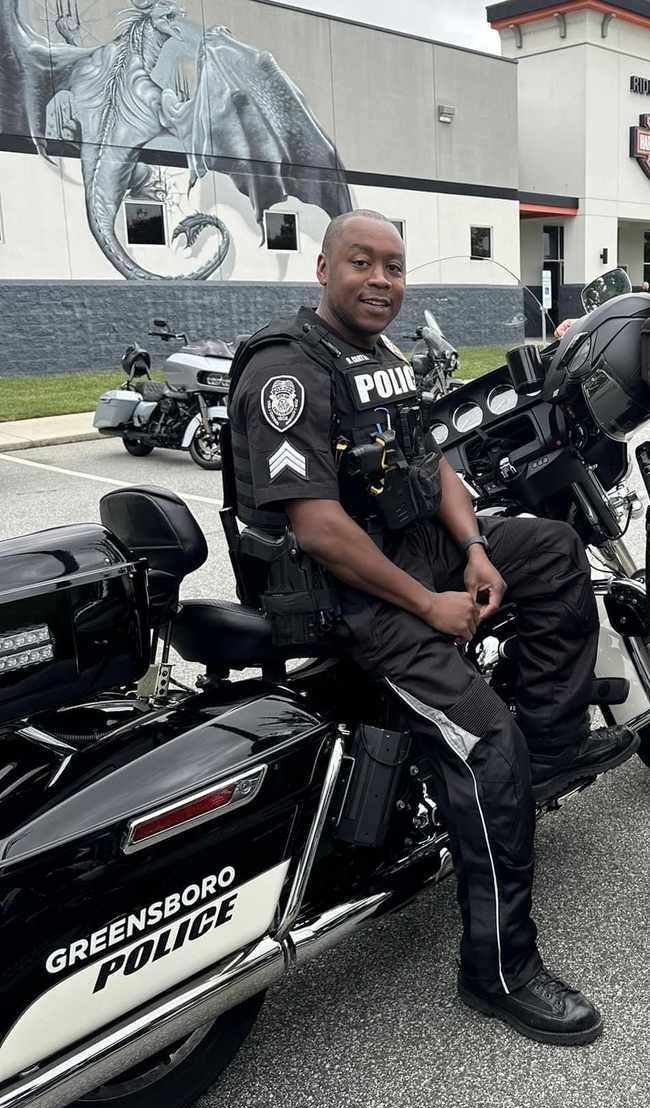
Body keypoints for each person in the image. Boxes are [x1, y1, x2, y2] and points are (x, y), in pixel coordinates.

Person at [228, 209, 638, 1046]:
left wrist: (477, 549)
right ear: (323, 269)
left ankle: (548, 752)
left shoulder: (381, 357)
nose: (381, 280)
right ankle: (499, 969)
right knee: (486, 743)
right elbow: (319, 528)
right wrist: (429, 604)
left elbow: (437, 464)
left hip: (418, 559)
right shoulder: (287, 371)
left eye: (394, 266)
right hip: (348, 599)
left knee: (552, 548)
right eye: (362, 263)